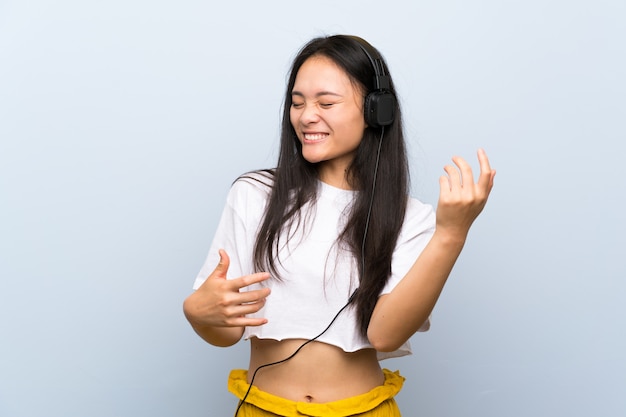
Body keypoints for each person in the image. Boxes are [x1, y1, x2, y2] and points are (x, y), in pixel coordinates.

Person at [183, 34, 495, 417]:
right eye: (297, 103)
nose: (306, 116)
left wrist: (451, 233)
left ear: (376, 111)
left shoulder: (410, 218)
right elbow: (226, 331)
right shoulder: (254, 194)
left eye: (326, 103)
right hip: (262, 407)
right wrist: (197, 312)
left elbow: (385, 334)